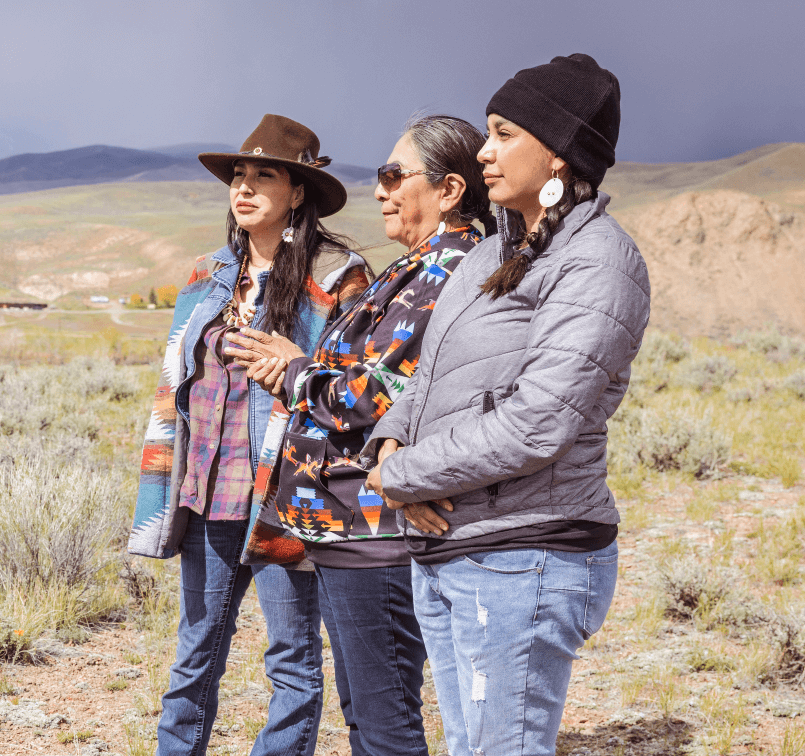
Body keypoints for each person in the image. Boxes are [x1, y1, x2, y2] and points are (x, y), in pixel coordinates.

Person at [363, 55, 651, 756]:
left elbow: (539, 420)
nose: (485, 152)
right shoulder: (491, 253)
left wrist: (404, 479)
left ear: (558, 151)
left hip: (526, 555)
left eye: (503, 133)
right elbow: (427, 378)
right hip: (454, 547)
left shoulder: (598, 261)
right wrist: (389, 446)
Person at [225, 114, 494, 756]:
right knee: (369, 708)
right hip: (346, 529)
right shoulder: (419, 267)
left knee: (382, 717)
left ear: (449, 189)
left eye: (394, 175)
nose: (381, 190)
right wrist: (306, 369)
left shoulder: (441, 274)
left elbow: (369, 397)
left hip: (372, 531)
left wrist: (294, 372)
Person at [127, 114, 370, 756]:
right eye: (239, 173)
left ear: (299, 192)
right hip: (208, 495)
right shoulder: (207, 274)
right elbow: (172, 386)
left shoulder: (340, 274)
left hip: (285, 499)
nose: (244, 185)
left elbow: (364, 389)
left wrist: (302, 365)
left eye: (265, 174)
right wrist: (164, 486)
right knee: (194, 652)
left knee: (291, 658)